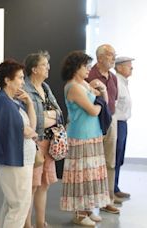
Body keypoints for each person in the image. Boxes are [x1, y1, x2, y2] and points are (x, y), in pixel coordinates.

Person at [60, 51, 111, 226]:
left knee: (91, 174)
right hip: (80, 135)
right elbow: (93, 110)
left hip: (92, 133)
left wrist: (101, 93)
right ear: (76, 68)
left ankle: (88, 209)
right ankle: (80, 214)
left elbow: (103, 100)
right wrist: (100, 102)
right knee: (81, 175)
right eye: (85, 66)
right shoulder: (73, 86)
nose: (88, 69)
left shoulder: (82, 83)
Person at [0, 59, 37, 228]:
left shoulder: (11, 101)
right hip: (14, 160)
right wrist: (27, 131)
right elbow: (24, 130)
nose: (23, 82)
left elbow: (31, 127)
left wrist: (29, 102)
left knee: (13, 203)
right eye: (20, 78)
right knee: (19, 205)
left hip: (19, 159)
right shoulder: (3, 102)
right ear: (7, 80)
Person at [23, 51, 63, 228]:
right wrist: (47, 116)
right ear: (34, 69)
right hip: (35, 143)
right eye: (44, 65)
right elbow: (34, 120)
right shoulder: (25, 88)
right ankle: (26, 224)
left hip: (49, 143)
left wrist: (48, 116)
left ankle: (40, 222)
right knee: (31, 186)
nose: (48, 68)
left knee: (44, 184)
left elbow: (59, 113)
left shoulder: (45, 87)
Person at [86, 44, 120, 213]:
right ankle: (90, 202)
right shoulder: (89, 75)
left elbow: (114, 99)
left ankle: (107, 200)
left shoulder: (113, 77)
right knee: (92, 163)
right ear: (100, 58)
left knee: (110, 162)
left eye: (114, 55)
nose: (113, 57)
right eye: (110, 55)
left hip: (111, 121)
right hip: (94, 121)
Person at [113, 56, 135, 200]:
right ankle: (112, 189)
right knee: (115, 156)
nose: (131, 68)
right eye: (129, 66)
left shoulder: (123, 82)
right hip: (117, 123)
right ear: (119, 67)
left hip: (123, 123)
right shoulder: (117, 83)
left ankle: (115, 187)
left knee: (119, 156)